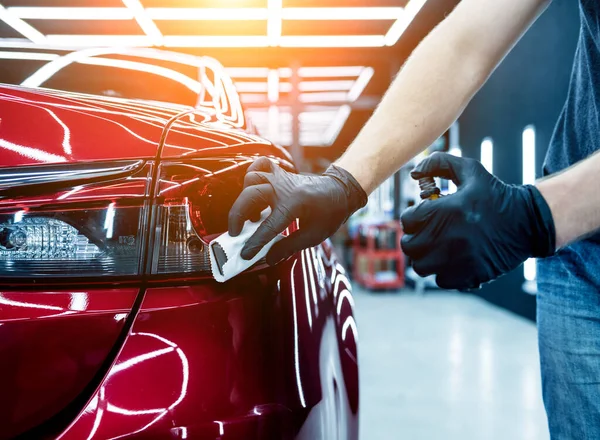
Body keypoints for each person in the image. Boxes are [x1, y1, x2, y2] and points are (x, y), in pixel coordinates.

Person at [228, 0, 600, 437]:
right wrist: (346, 183)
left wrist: (538, 214)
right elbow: (466, 42)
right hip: (577, 257)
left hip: (562, 226)